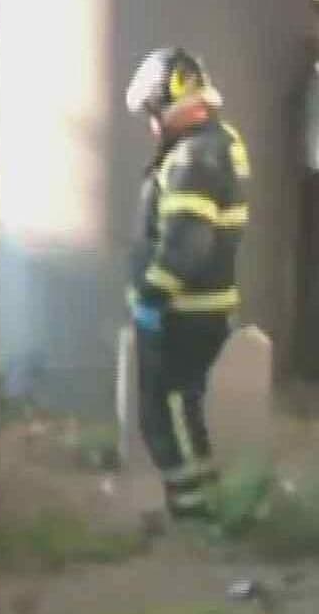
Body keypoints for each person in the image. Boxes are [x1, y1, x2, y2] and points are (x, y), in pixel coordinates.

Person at [124, 47, 248, 521]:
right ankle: (195, 506)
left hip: (185, 314)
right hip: (200, 311)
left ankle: (197, 514)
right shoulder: (215, 143)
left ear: (168, 104)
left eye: (151, 115)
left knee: (171, 414)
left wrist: (152, 298)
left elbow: (187, 245)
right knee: (186, 412)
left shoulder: (195, 156)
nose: (151, 127)